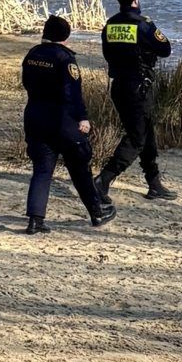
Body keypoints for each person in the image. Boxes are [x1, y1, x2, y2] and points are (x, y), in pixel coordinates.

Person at [21, 15, 117, 235]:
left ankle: (35, 219)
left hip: (35, 118)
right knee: (80, 169)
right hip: (63, 123)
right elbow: (72, 93)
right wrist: (82, 118)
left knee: (42, 171)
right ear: (65, 36)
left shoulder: (32, 54)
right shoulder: (65, 59)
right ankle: (97, 213)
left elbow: (26, 83)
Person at [95, 0, 177, 203]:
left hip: (119, 86)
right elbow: (166, 49)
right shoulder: (143, 25)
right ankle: (103, 180)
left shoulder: (110, 25)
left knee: (146, 132)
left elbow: (107, 54)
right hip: (138, 88)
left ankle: (154, 182)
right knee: (136, 138)